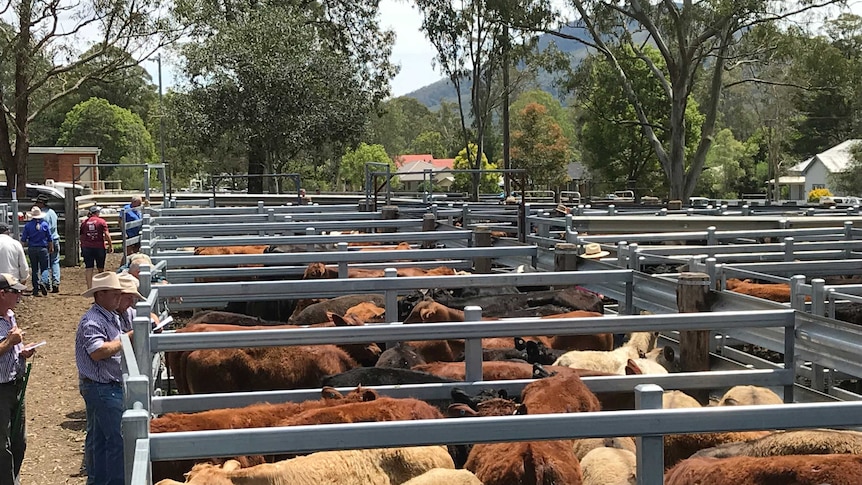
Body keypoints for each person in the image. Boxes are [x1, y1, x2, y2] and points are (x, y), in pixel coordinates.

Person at [75, 272, 128, 485]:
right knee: (117, 439)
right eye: (114, 293)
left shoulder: (108, 316)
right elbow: (97, 351)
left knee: (100, 439)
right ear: (101, 294)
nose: (118, 297)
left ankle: (98, 481)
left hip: (101, 386)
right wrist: (127, 340)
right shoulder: (92, 321)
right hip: (102, 386)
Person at [0, 273, 37, 484]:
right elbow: (7, 344)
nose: (19, 295)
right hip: (1, 388)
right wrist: (10, 341)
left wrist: (21, 350)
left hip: (14, 384)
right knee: (2, 445)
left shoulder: (10, 315)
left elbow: (12, 345)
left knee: (18, 441)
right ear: (2, 294)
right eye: (15, 292)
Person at [19, 207, 52, 296]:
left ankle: (35, 288)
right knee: (44, 267)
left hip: (32, 248)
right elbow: (49, 237)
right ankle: (43, 281)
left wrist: (20, 248)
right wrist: (51, 247)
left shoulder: (28, 225)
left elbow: (23, 239)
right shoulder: (45, 224)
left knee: (34, 269)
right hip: (42, 247)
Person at [32, 194, 60, 293]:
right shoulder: (52, 212)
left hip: (46, 241)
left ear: (41, 204)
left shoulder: (42, 215)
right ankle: (56, 282)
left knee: (46, 264)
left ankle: (46, 282)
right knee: (55, 261)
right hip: (55, 238)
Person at [80, 206, 112, 289]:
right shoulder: (101, 221)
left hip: (87, 247)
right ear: (97, 213)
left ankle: (89, 287)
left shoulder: (84, 222)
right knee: (100, 268)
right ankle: (100, 285)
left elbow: (81, 235)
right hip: (99, 246)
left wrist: (82, 245)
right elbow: (107, 234)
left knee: (89, 267)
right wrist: (110, 245)